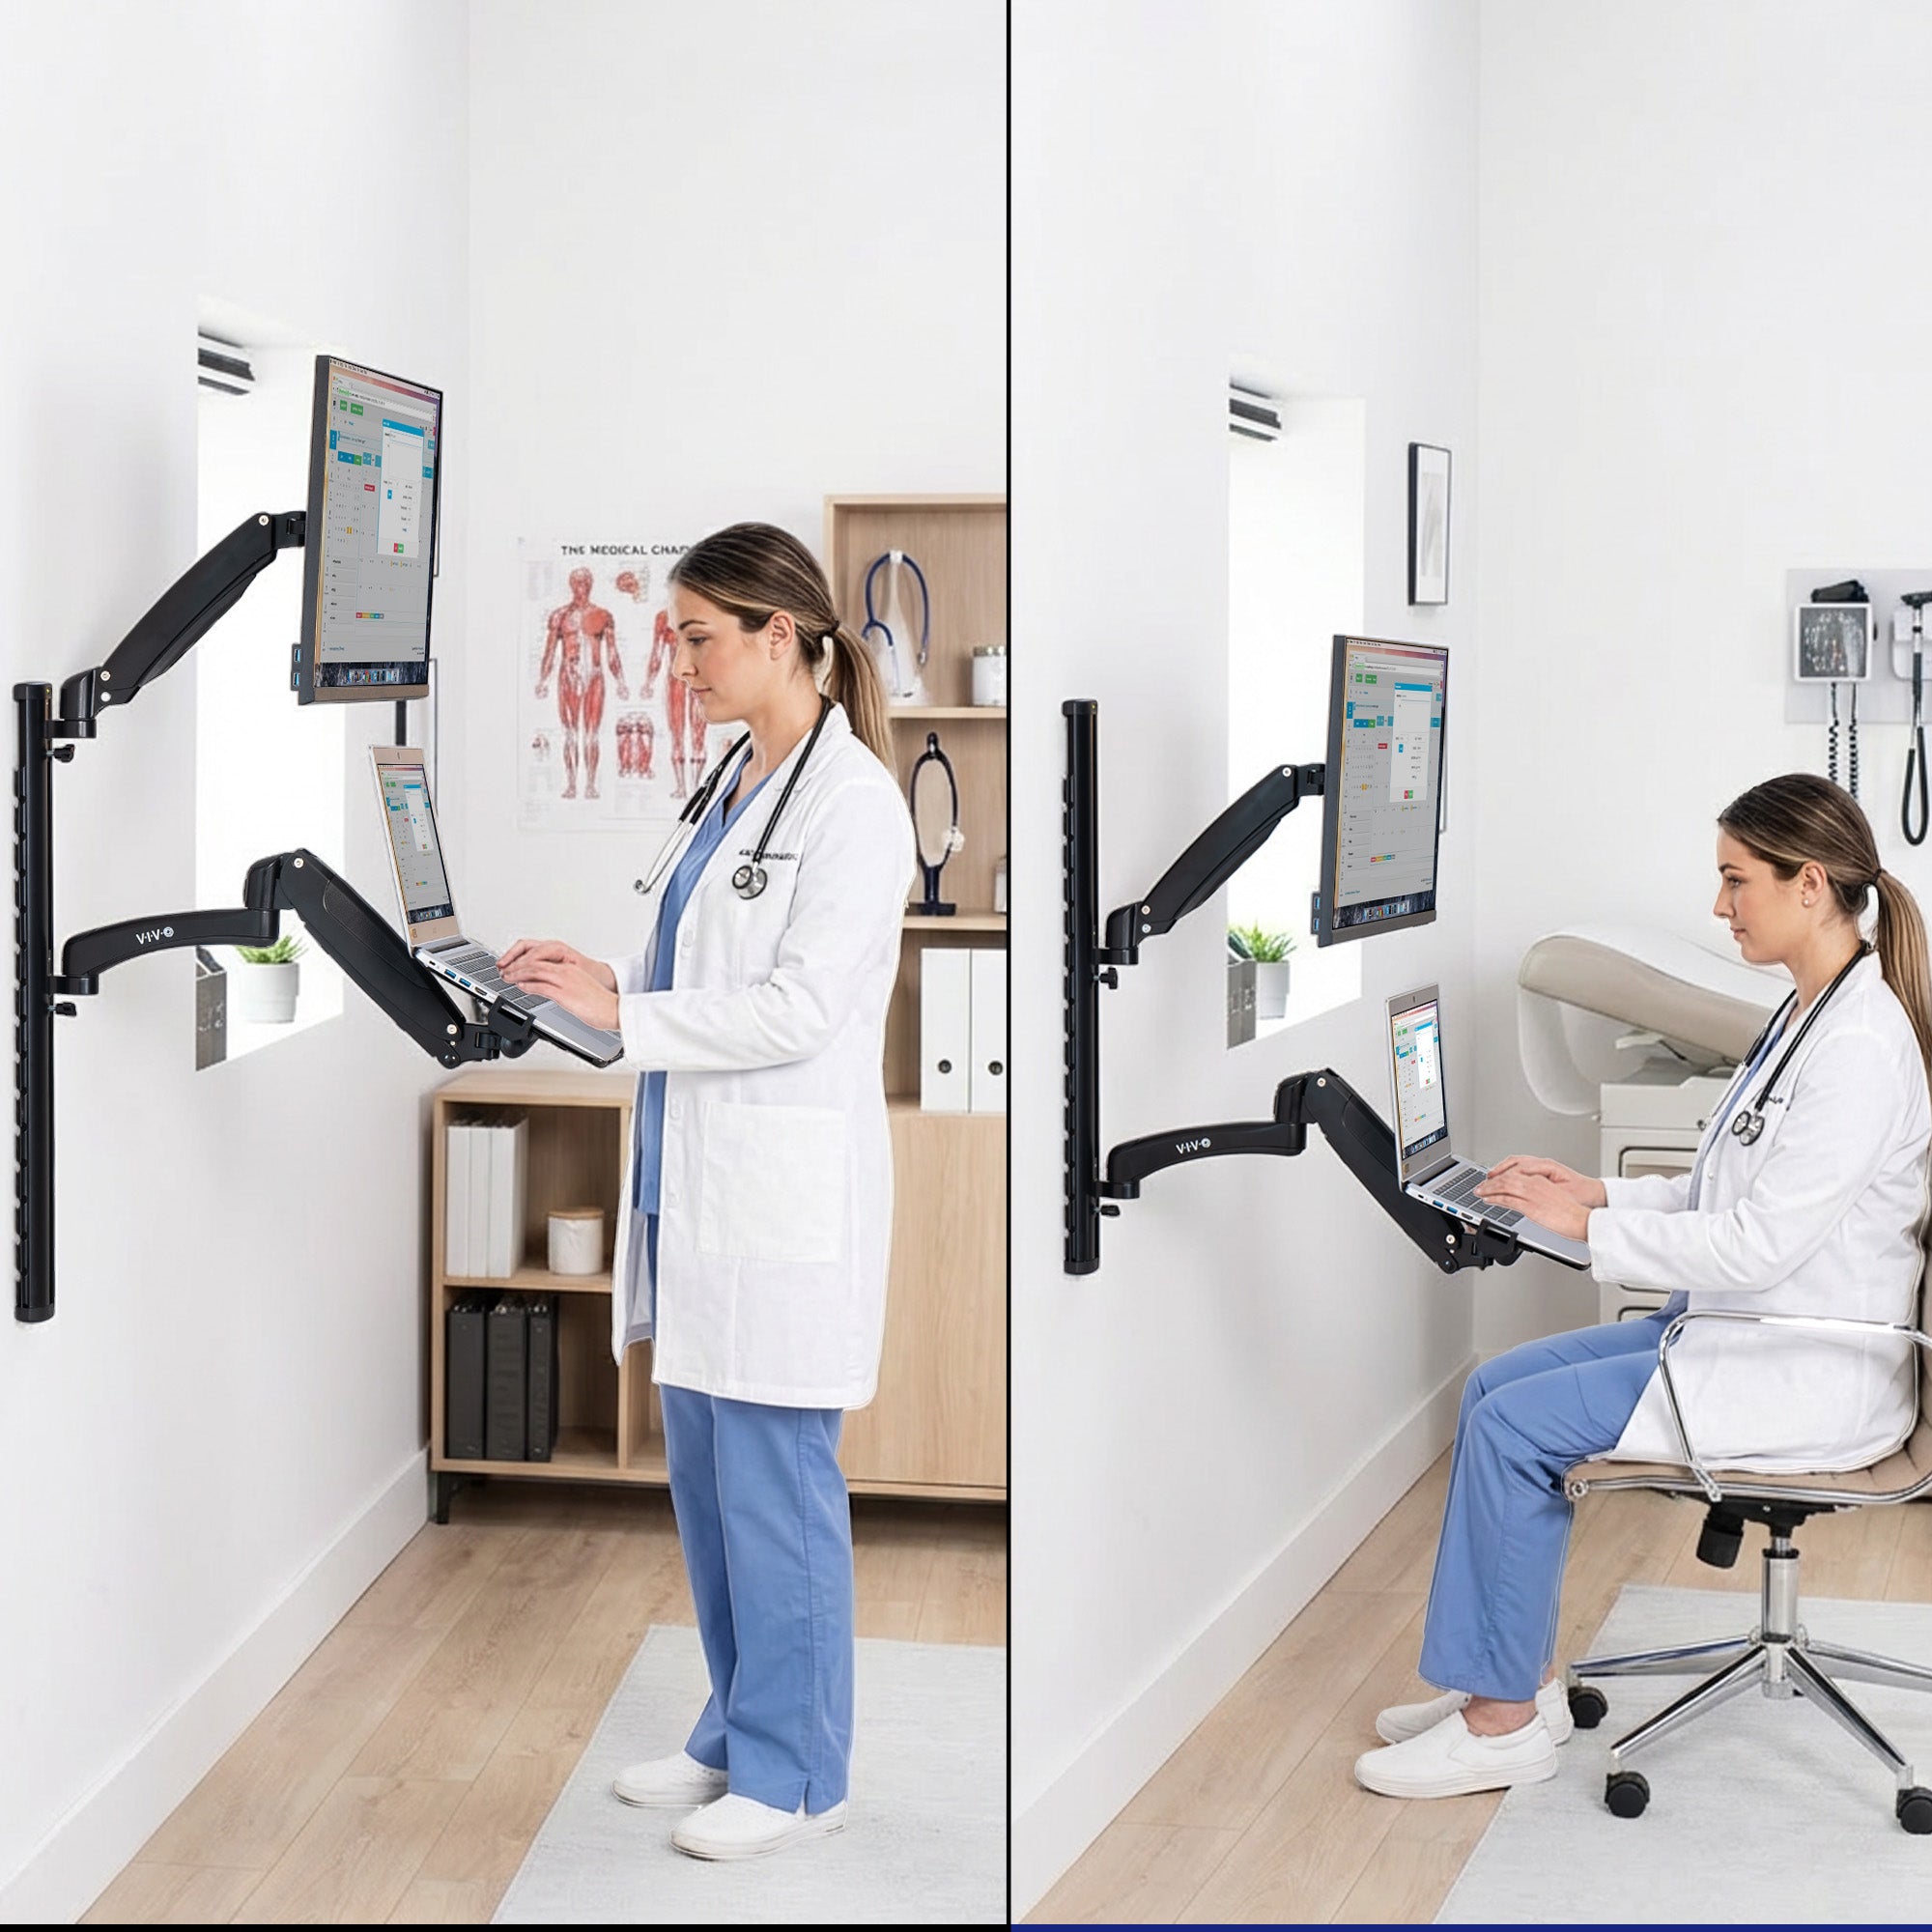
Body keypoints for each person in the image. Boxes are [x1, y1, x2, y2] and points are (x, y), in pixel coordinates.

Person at [1354, 773, 1932, 1801]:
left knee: (1508, 1430)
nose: (1718, 907)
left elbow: (1755, 1245)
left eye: (1732, 880)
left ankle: (1497, 1728)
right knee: (1493, 1390)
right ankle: (1514, 1680)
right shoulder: (1807, 1011)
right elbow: (1727, 1185)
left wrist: (1592, 1229)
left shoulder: (1858, 1046)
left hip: (1802, 1364)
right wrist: (1595, 1189)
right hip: (1748, 1333)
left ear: (1807, 884)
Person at [499, 522, 914, 1861]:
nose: (675, 661)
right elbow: (692, 954)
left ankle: (802, 1775)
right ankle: (738, 1731)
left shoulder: (854, 805)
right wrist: (596, 983)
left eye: (696, 636)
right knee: (708, 1485)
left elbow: (797, 1007)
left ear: (778, 636)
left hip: (779, 1198)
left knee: (779, 1489)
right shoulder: (742, 774)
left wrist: (636, 1009)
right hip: (691, 1182)